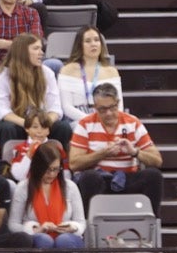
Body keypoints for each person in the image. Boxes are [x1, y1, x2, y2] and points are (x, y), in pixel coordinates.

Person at [68, 81, 165, 215]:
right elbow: (74, 164)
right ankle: (89, 228)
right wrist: (103, 153)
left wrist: (134, 152)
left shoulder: (132, 122)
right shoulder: (85, 124)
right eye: (102, 109)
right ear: (95, 107)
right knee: (89, 178)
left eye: (112, 107)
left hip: (127, 178)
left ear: (118, 103)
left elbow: (157, 160)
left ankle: (150, 225)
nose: (108, 113)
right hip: (100, 179)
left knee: (153, 176)